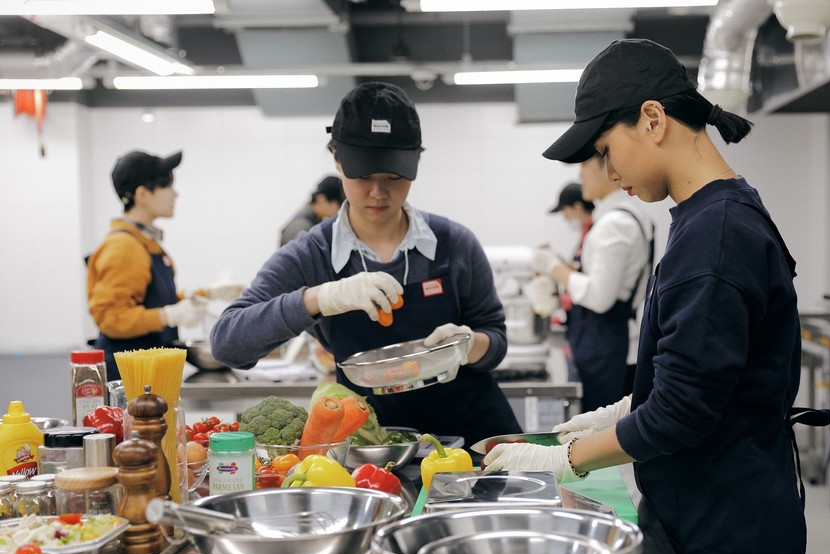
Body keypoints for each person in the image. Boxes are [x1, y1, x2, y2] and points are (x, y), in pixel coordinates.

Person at [483, 39, 816, 554]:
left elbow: (682, 412)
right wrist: (602, 418)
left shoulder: (714, 235)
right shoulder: (708, 217)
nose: (608, 174)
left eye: (608, 151)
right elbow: (699, 377)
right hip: (712, 507)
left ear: (654, 119)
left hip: (729, 534)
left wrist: (561, 460)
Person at [210, 81, 521, 441]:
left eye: (393, 176)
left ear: (417, 159)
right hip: (373, 447)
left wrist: (469, 345)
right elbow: (227, 343)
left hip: (474, 442)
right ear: (337, 160)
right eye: (363, 176)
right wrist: (321, 298)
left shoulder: (454, 245)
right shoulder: (311, 254)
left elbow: (495, 337)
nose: (378, 192)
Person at [534, 156, 655, 412]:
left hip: (607, 344)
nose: (580, 176)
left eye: (584, 167)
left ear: (609, 168)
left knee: (604, 423)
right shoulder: (625, 216)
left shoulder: (615, 224)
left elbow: (600, 297)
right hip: (609, 340)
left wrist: (554, 268)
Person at [86, 150, 208, 381]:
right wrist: (167, 316)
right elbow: (111, 317)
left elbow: (154, 299)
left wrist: (203, 295)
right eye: (168, 186)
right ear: (142, 194)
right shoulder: (123, 246)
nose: (176, 194)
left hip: (148, 371)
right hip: (126, 379)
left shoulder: (146, 242)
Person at [279, 175, 345, 246]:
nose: (339, 211)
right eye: (339, 205)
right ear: (321, 199)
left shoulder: (311, 223)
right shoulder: (302, 227)